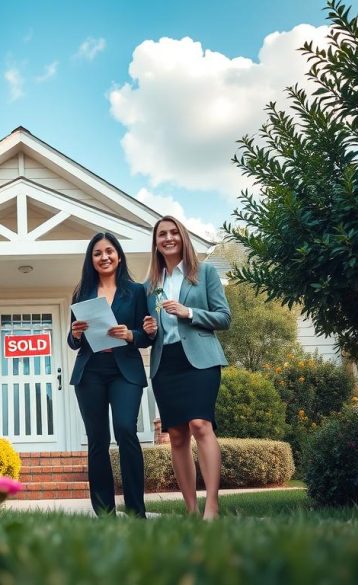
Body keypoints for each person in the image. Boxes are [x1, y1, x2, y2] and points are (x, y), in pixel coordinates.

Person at [142, 215, 231, 520]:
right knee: (177, 436)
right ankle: (191, 509)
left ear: (182, 237)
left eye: (173, 233)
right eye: (161, 234)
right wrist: (149, 329)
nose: (168, 238)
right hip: (165, 362)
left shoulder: (203, 273)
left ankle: (212, 506)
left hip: (200, 360)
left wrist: (188, 311)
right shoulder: (150, 286)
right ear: (155, 243)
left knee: (200, 425)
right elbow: (147, 334)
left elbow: (224, 317)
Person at [68, 232, 156, 518]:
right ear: (90, 260)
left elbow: (147, 335)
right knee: (97, 439)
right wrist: (75, 334)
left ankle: (135, 510)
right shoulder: (81, 293)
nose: (104, 257)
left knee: (125, 430)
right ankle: (104, 512)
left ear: (118, 255)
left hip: (124, 371)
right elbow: (73, 342)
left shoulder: (137, 291)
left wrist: (131, 334)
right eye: (97, 253)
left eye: (109, 251)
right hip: (90, 372)